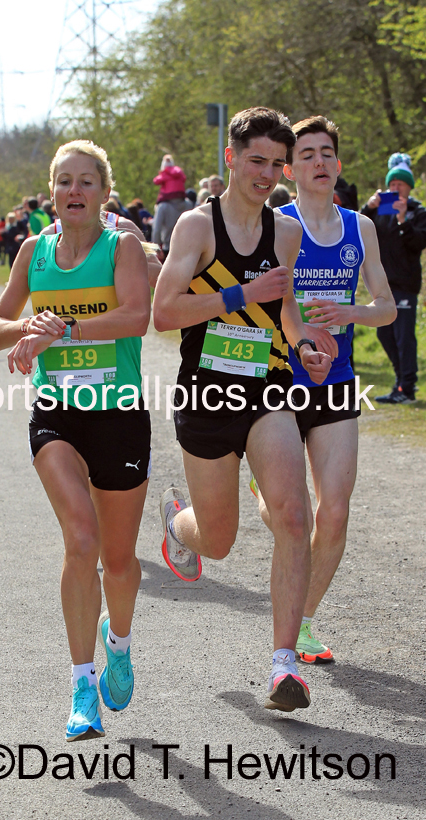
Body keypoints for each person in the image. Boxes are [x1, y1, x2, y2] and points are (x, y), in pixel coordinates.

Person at [153, 107, 332, 713]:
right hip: (207, 393)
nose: (269, 174)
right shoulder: (196, 229)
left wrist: (304, 342)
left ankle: (285, 668)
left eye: (277, 164)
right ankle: (178, 525)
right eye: (257, 160)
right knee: (219, 540)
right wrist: (236, 293)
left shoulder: (286, 232)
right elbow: (165, 313)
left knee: (292, 513)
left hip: (268, 386)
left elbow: (286, 311)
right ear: (230, 158)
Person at [0, 140, 151, 742]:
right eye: (63, 182)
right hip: (58, 413)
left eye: (86, 182)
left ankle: (120, 645)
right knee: (80, 540)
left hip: (120, 414)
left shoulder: (121, 246)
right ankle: (83, 685)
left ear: (104, 193)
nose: (73, 192)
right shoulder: (33, 251)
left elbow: (137, 315)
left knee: (119, 559)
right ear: (51, 191)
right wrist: (29, 326)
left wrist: (64, 330)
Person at [256, 115, 395, 664]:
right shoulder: (275, 223)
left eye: (326, 153)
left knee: (333, 510)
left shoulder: (360, 227)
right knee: (297, 514)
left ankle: (305, 623)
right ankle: (265, 495)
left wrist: (347, 311)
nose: (318, 162)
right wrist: (298, 335)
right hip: (281, 380)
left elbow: (386, 307)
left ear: (338, 164)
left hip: (336, 382)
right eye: (307, 154)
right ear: (289, 169)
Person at [361, 153, 426, 403]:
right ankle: (400, 383)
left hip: (405, 284)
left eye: (400, 184)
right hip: (381, 284)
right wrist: (369, 207)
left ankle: (407, 388)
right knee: (384, 334)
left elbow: (419, 242)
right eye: (392, 184)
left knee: (403, 337)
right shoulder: (381, 210)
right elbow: (359, 228)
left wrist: (402, 220)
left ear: (409, 186)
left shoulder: (417, 211)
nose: (395, 188)